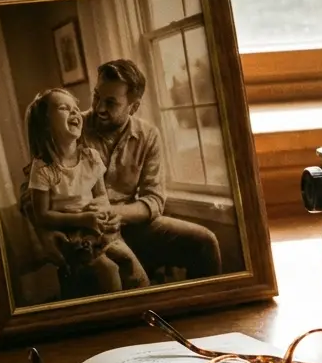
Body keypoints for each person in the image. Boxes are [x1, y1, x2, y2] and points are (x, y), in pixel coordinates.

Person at [78, 58, 222, 281]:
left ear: (133, 107)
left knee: (205, 242)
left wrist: (118, 213)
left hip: (134, 226)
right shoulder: (73, 128)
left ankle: (204, 311)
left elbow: (154, 199)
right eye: (97, 96)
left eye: (111, 103)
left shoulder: (148, 135)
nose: (99, 108)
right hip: (87, 230)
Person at [21, 87, 150, 294]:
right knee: (109, 271)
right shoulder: (43, 168)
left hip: (96, 227)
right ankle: (116, 315)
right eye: (64, 108)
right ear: (46, 125)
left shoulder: (91, 157)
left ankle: (146, 307)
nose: (74, 113)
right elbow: (42, 215)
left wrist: (102, 211)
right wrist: (82, 219)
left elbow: (101, 197)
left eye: (75, 108)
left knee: (129, 263)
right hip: (70, 233)